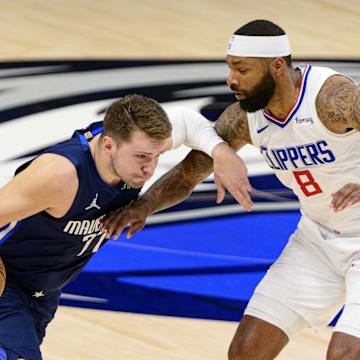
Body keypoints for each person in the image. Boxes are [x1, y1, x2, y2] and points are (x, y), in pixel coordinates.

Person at [102, 20, 360, 359]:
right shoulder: (244, 119)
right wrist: (144, 207)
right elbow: (188, 173)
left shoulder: (332, 97)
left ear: (277, 67)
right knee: (245, 353)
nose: (231, 79)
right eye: (229, 68)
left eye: (242, 69)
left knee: (344, 354)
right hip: (316, 240)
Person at [0, 93, 251, 360]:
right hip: (9, 285)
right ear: (108, 146)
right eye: (142, 157)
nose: (149, 169)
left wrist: (221, 151)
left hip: (44, 293)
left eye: (157, 156)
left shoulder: (135, 144)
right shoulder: (59, 176)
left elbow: (187, 122)